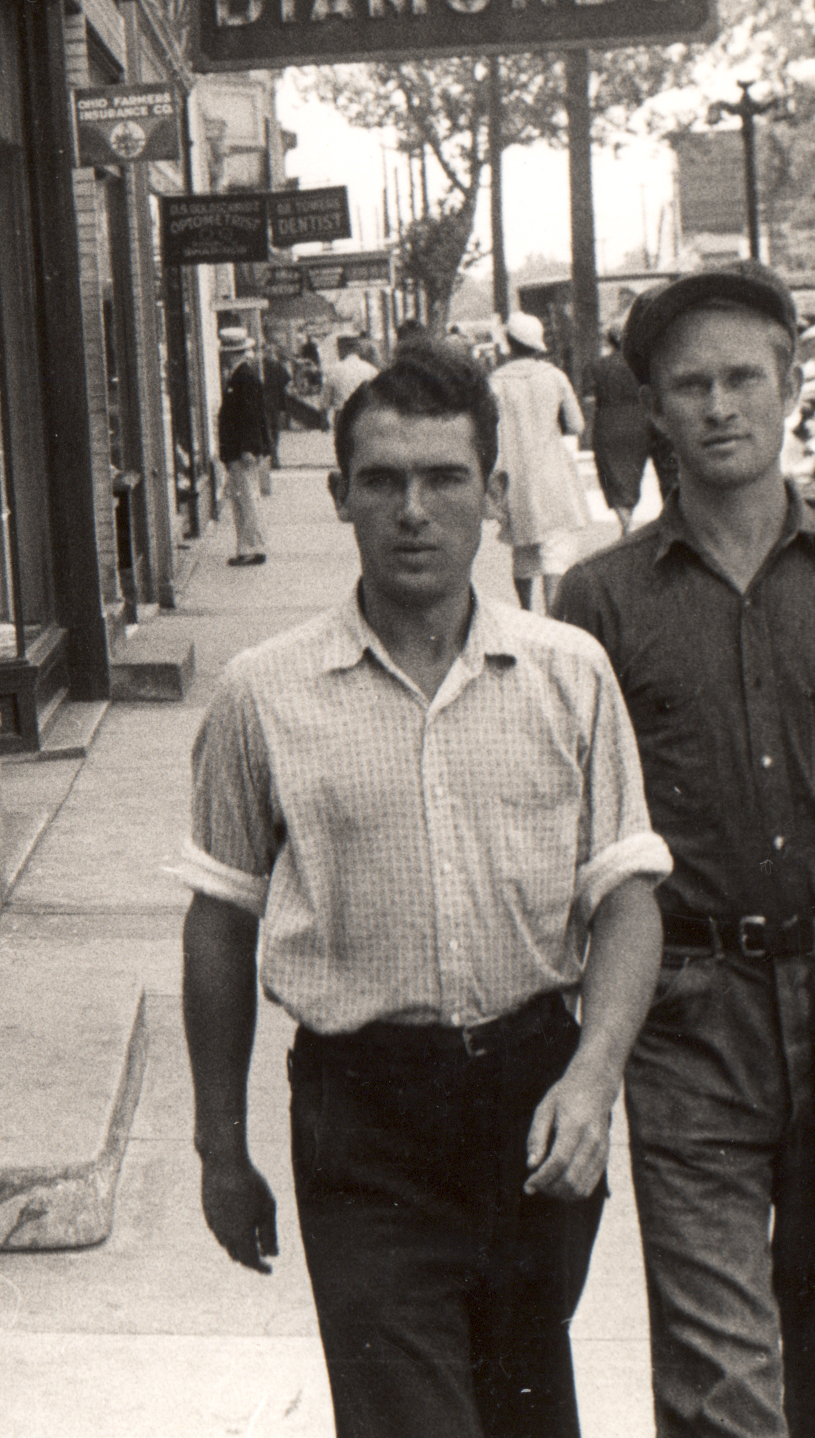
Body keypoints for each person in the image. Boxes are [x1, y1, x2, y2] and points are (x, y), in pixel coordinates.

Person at [183, 346, 671, 1438]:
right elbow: (220, 920)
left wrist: (594, 1077)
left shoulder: (568, 674)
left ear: (494, 496)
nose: (414, 509)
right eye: (384, 480)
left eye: (446, 478)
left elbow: (629, 893)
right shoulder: (263, 695)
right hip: (364, 1115)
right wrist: (221, 1142)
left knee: (523, 1409)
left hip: (536, 1103)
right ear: (340, 495)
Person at [551, 260, 815, 1438]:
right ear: (652, 408)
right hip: (686, 1012)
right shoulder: (595, 604)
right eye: (689, 384)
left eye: (744, 376)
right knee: (719, 1382)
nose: (719, 405)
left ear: (790, 385)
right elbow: (567, 832)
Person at [490, 311, 589, 610]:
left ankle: (526, 613)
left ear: (509, 341)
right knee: (555, 552)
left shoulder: (494, 382)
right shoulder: (555, 376)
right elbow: (576, 425)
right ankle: (553, 616)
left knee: (523, 553)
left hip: (513, 475)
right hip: (552, 472)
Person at [585, 326, 652, 536]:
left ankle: (626, 524)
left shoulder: (597, 365)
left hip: (608, 422)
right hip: (638, 422)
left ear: (609, 341)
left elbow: (588, 397)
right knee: (633, 474)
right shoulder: (640, 366)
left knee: (612, 476)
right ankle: (629, 520)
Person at [217, 355, 273, 567]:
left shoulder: (244, 378)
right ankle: (248, 547)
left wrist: (248, 447)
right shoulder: (242, 377)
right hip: (239, 451)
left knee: (246, 499)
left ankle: (253, 548)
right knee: (244, 499)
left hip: (241, 452)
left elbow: (250, 415)